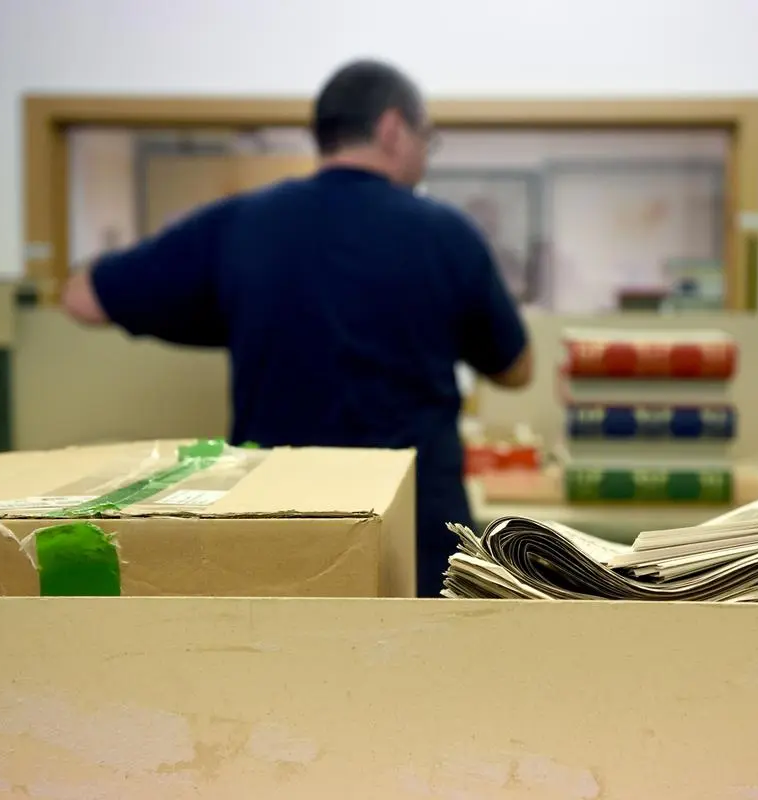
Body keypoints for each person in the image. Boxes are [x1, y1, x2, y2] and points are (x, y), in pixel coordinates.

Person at [62, 59, 533, 597]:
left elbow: (82, 299)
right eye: (427, 138)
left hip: (277, 538)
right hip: (416, 545)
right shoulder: (448, 234)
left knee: (277, 672)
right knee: (420, 676)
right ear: (392, 128)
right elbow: (518, 368)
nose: (426, 153)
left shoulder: (242, 224)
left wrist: (235, 312)